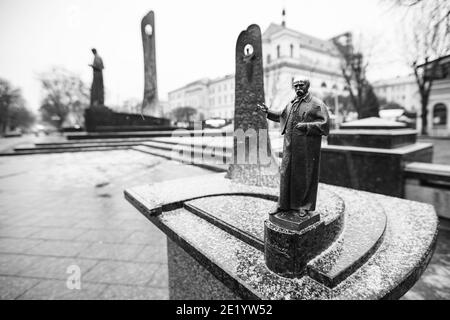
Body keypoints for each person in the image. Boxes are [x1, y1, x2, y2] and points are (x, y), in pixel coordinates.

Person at [257, 76, 330, 217]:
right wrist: (268, 111)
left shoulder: (316, 104)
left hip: (306, 148)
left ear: (307, 86)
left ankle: (303, 205)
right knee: (285, 174)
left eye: (301, 85)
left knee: (303, 175)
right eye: (295, 86)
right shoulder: (291, 103)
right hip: (289, 146)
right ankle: (283, 204)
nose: (298, 88)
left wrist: (306, 126)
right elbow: (282, 116)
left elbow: (325, 125)